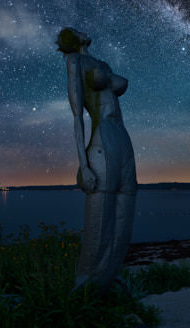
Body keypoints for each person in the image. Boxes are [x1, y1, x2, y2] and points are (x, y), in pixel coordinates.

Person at [56, 27, 137, 295]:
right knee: (100, 217)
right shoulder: (74, 62)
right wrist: (84, 164)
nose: (83, 31)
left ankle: (108, 277)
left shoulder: (102, 63)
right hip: (101, 136)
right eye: (75, 31)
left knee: (125, 209)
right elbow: (77, 116)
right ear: (71, 40)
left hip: (120, 135)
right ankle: (84, 286)